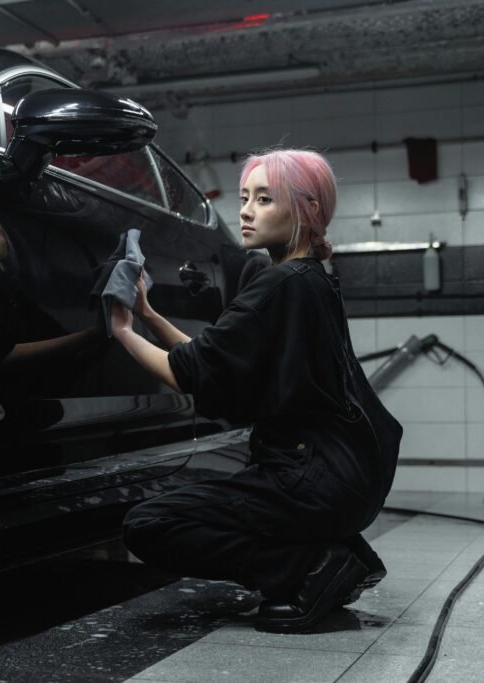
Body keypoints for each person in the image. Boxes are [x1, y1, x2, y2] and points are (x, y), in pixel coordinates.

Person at [108, 148, 403, 633]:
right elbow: (219, 363)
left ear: (306, 211)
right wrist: (149, 315)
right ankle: (340, 555)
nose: (245, 210)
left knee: (150, 525)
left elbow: (190, 373)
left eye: (264, 199)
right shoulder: (312, 280)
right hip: (348, 478)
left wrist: (120, 329)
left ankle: (308, 569)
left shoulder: (279, 284)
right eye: (245, 197)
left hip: (312, 480)